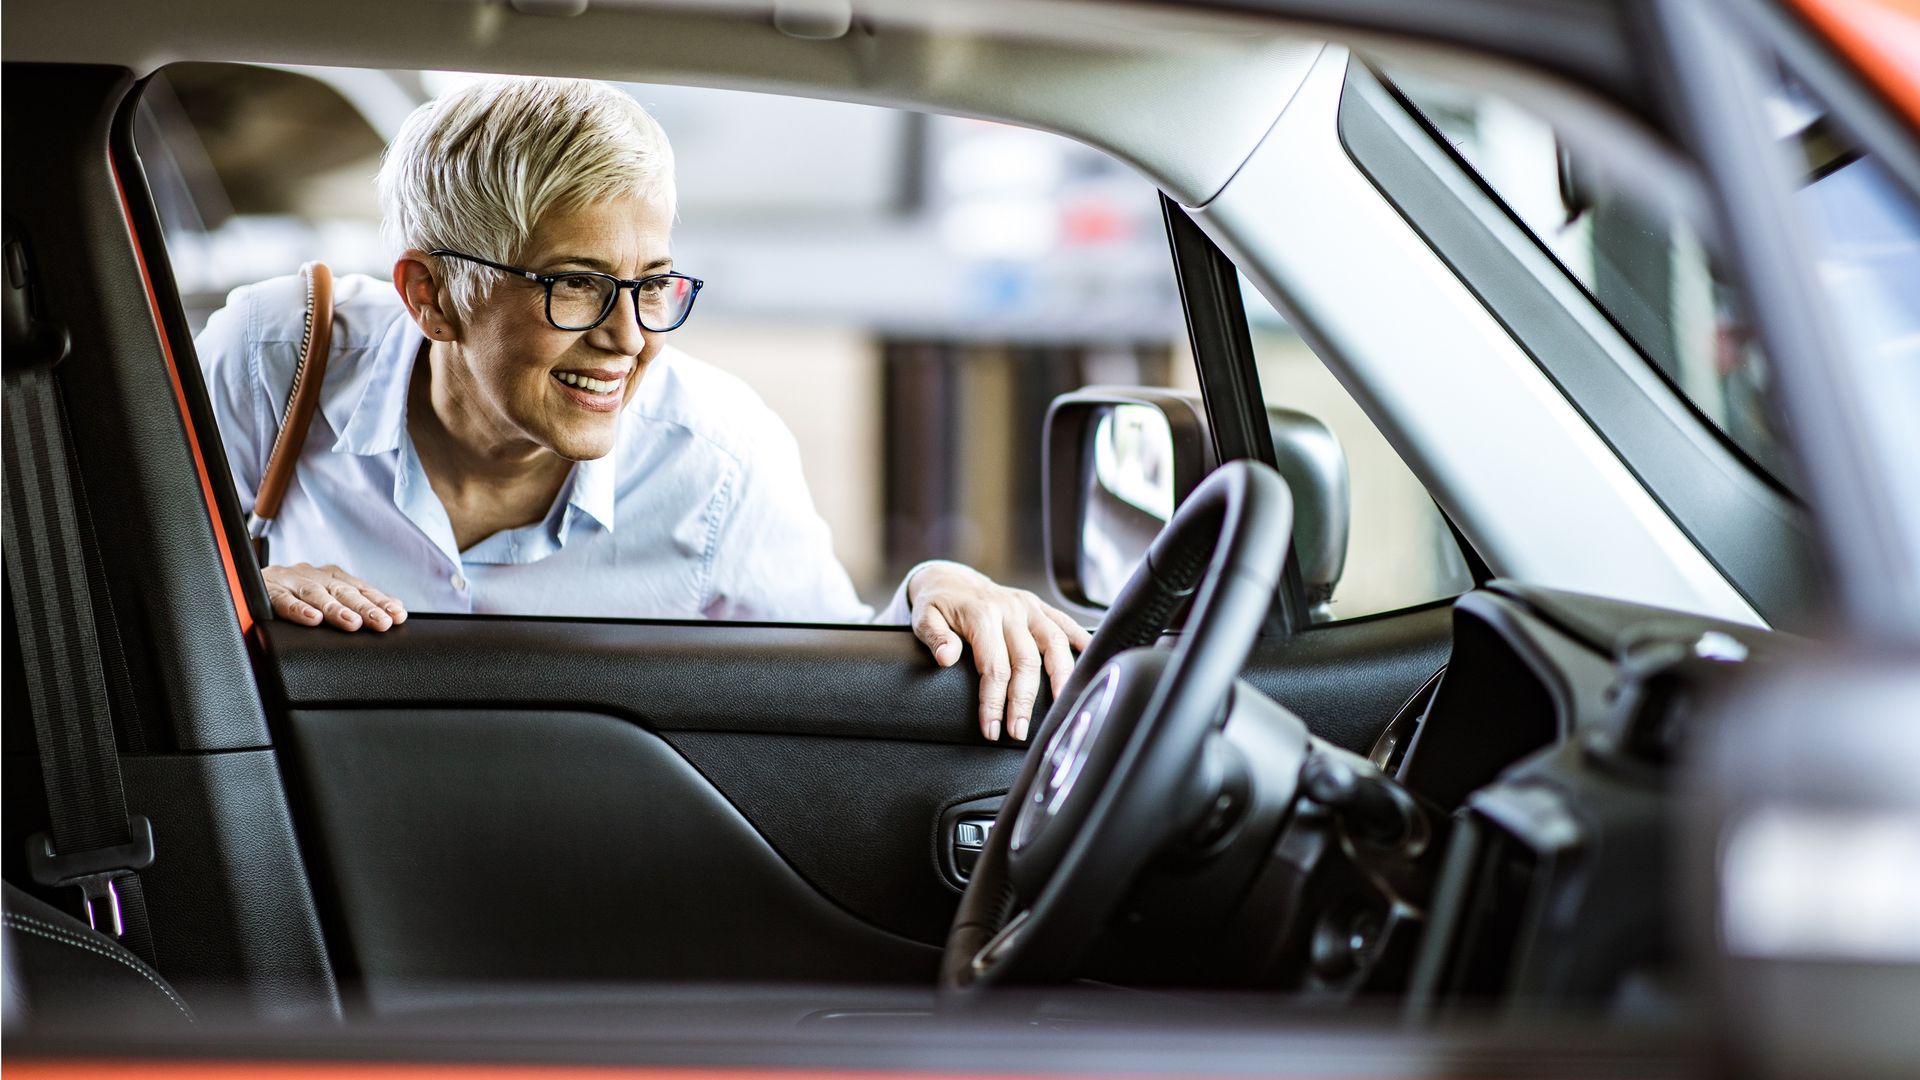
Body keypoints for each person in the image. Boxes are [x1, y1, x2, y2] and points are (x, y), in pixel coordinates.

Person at [194, 76, 1088, 743]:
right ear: (431, 296)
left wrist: (941, 588)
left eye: (652, 284)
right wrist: (227, 598)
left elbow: (837, 691)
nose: (631, 338)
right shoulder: (277, 360)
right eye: (577, 286)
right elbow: (101, 591)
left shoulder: (716, 461)